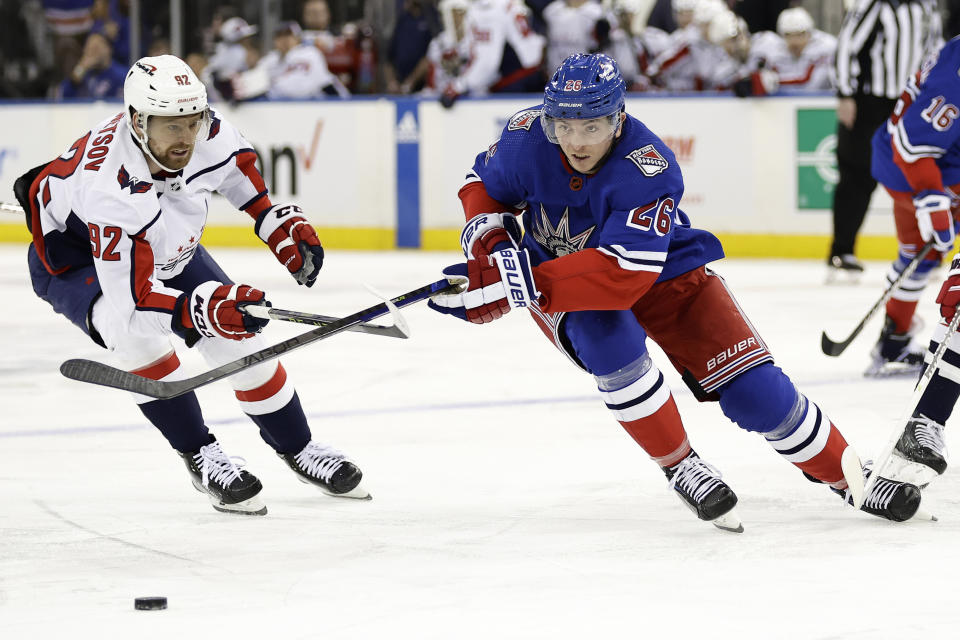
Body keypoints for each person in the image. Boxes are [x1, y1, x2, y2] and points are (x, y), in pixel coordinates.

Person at [427, 53, 925, 529]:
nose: (575, 142)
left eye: (592, 127)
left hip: (658, 270)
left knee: (756, 393)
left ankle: (850, 477)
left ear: (618, 120)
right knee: (610, 342)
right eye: (564, 126)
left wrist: (515, 286)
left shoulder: (648, 166)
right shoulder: (526, 136)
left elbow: (623, 274)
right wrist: (489, 243)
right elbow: (481, 184)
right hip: (566, 277)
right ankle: (681, 464)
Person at [14, 54, 367, 516]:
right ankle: (200, 452)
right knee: (137, 340)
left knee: (244, 345)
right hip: (78, 261)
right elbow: (135, 300)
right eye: (171, 127)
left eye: (191, 122)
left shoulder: (206, 129)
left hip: (163, 241)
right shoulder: (109, 187)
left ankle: (299, 448)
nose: (185, 137)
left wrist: (270, 219)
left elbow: (237, 170)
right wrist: (203, 308)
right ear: (138, 122)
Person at [875, 36, 960, 491]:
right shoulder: (957, 75)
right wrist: (932, 200)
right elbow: (912, 142)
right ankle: (893, 337)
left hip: (941, 165)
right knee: (923, 258)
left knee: (922, 258)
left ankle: (892, 336)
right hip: (914, 169)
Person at [828, 0, 942, 279]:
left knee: (919, 174)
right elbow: (847, 45)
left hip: (914, 102)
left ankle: (923, 251)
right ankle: (841, 252)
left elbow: (936, 48)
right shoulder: (873, 3)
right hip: (870, 101)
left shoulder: (928, 5)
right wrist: (845, 93)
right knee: (857, 174)